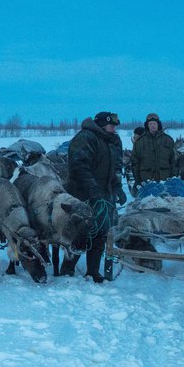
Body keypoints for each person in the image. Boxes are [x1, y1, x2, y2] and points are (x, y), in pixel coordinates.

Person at [64, 110, 122, 283]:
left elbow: (116, 167)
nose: (114, 128)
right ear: (102, 125)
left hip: (104, 194)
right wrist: (93, 190)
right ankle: (67, 269)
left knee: (101, 233)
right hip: (83, 194)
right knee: (81, 232)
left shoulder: (113, 141)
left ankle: (93, 271)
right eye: (111, 125)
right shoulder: (86, 137)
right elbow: (78, 166)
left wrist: (117, 187)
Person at [131, 112, 177, 186]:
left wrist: (173, 177)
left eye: (154, 124)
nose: (153, 126)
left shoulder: (168, 140)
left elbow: (173, 160)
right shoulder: (140, 142)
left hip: (165, 180)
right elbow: (135, 162)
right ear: (147, 126)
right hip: (146, 181)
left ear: (158, 125)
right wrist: (138, 180)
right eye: (150, 124)